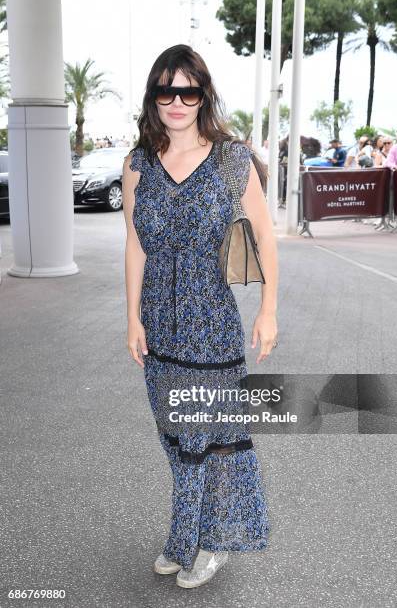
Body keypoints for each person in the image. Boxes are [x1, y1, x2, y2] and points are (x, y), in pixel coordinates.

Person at [122, 44, 278, 589]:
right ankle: (185, 534)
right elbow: (135, 246)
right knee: (176, 437)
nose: (178, 101)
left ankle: (210, 542)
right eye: (167, 90)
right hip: (159, 327)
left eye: (188, 90)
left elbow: (262, 238)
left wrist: (268, 311)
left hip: (212, 325)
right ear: (154, 98)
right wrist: (132, 319)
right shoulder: (137, 164)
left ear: (203, 95)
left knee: (212, 439)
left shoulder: (233, 160)